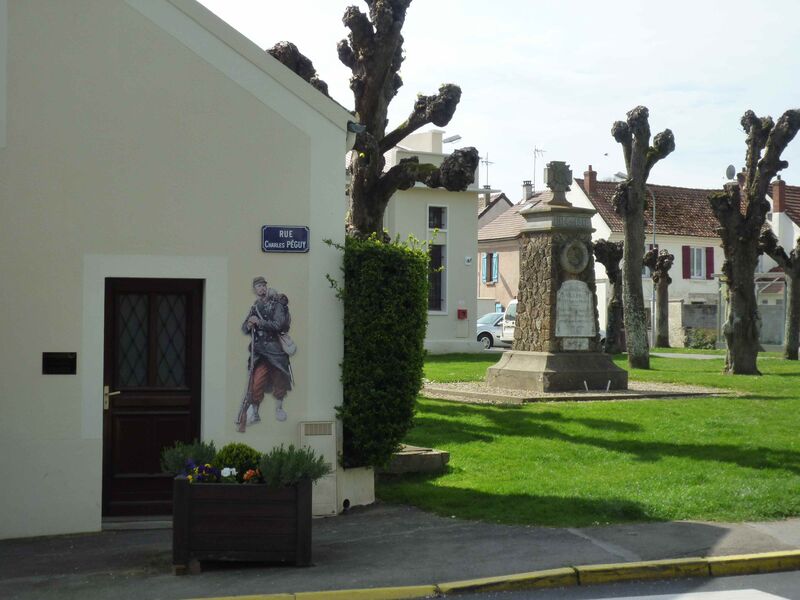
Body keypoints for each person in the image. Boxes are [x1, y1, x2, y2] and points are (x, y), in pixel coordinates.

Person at [236, 277, 293, 431]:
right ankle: (254, 412)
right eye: (257, 286)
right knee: (256, 382)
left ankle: (279, 408)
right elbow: (244, 328)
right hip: (259, 352)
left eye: (262, 285)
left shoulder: (276, 305)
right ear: (255, 290)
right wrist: (249, 324)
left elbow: (278, 324)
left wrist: (259, 322)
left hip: (275, 350)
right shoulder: (255, 307)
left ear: (266, 287)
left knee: (279, 379)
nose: (260, 289)